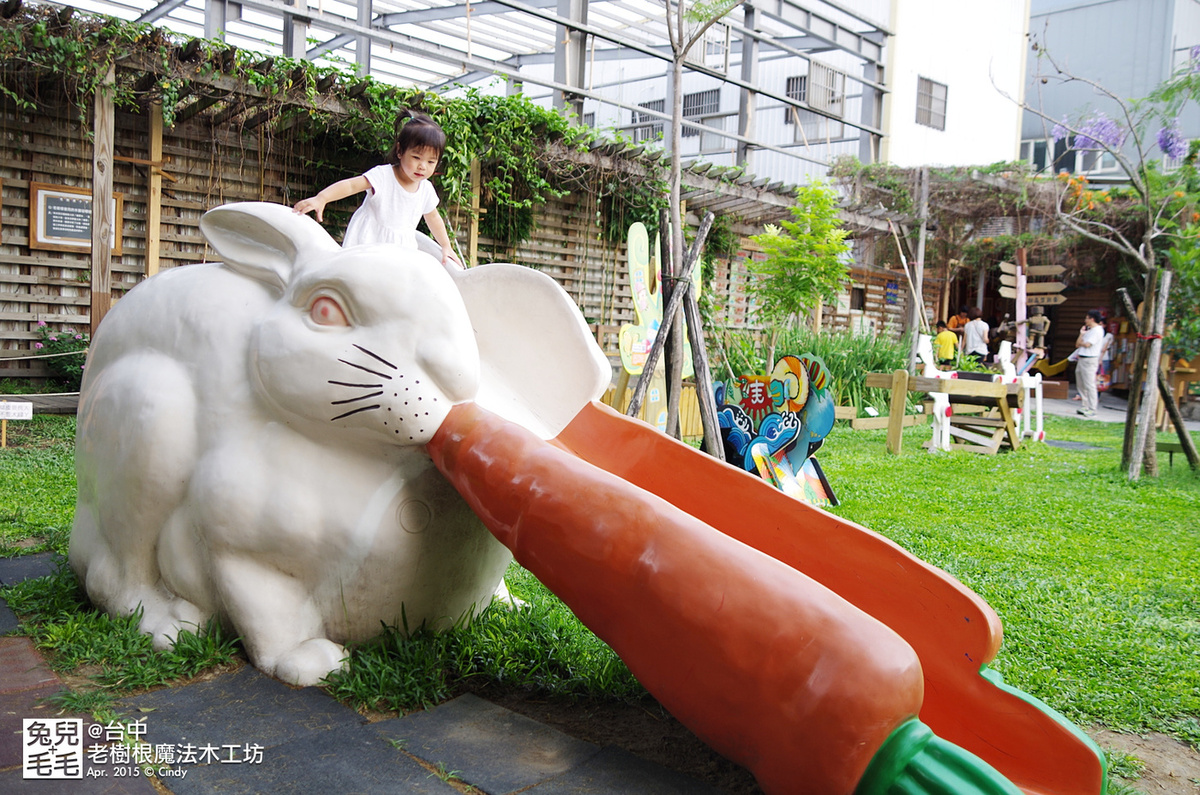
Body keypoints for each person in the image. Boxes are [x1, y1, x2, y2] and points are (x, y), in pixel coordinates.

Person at [294, 109, 462, 268]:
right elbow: (352, 185)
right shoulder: (383, 176)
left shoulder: (425, 189)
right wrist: (321, 198)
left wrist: (446, 246)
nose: (422, 166)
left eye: (431, 162)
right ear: (400, 151)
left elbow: (433, 217)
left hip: (401, 248)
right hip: (369, 241)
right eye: (416, 157)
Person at [1073, 309, 1105, 417]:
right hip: (1081, 357)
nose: (1085, 320)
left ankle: (1092, 408)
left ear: (1092, 319)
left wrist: (1082, 342)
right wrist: (1081, 334)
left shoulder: (1097, 330)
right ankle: (1084, 405)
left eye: (1087, 318)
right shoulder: (1088, 330)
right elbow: (1078, 344)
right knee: (1080, 382)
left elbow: (1087, 345)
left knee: (1090, 384)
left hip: (1090, 359)